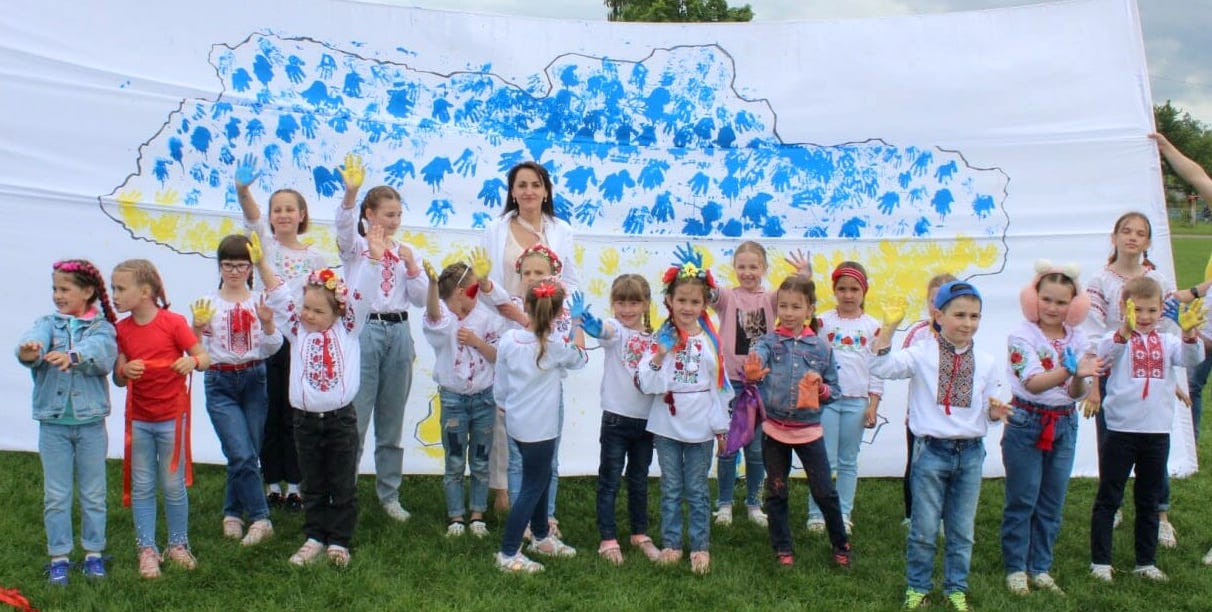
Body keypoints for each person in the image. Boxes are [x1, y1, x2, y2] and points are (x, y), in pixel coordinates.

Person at [870, 281, 1010, 611]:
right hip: (931, 452)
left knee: (962, 530)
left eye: (975, 316)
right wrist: (888, 330)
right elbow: (881, 367)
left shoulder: (987, 361)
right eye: (959, 314)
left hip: (971, 453)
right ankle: (918, 587)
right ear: (938, 315)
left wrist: (995, 411)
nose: (968, 323)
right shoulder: (921, 354)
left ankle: (956, 589)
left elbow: (988, 410)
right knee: (924, 528)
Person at [254, 227, 387, 567]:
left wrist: (373, 257)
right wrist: (262, 266)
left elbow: (364, 293)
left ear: (338, 313)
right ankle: (314, 536)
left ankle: (339, 541)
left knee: (342, 483)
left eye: (317, 311)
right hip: (305, 422)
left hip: (341, 420)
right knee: (312, 482)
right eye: (307, 308)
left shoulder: (349, 328)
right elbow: (280, 294)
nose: (309, 315)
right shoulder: (296, 330)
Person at [1081, 211, 1210, 547]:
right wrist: (1095, 382)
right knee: (1111, 443)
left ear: (1148, 242)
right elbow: (1093, 335)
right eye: (1126, 231)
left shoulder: (1159, 281)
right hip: (1114, 370)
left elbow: (1168, 332)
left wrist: (1173, 377)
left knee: (1155, 446)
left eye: (1140, 233)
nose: (1132, 238)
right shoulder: (1100, 282)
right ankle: (1115, 505)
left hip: (1153, 374)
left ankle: (1160, 514)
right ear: (1114, 237)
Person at [1089, 277, 1205, 583]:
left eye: (1151, 310)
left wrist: (1190, 333)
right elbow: (1105, 357)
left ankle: (1145, 561)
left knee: (1149, 499)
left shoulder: (1168, 342)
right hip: (1120, 430)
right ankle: (1100, 562)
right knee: (1109, 496)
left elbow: (1191, 360)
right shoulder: (1114, 339)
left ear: (1160, 311)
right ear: (1123, 307)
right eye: (1137, 309)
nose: (1144, 316)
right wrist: (1124, 332)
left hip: (1156, 432)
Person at [480, 161, 580, 514]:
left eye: (535, 184)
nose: (528, 191)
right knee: (506, 410)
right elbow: (485, 282)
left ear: (546, 190)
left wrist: (554, 318)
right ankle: (504, 489)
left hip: (544, 331)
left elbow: (571, 282)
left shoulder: (561, 229)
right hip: (505, 326)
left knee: (542, 412)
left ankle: (542, 512)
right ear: (511, 191)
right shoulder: (496, 228)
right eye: (520, 185)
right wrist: (507, 307)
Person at [336, 154, 427, 523]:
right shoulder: (357, 247)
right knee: (356, 417)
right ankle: (345, 492)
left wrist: (413, 266)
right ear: (370, 215)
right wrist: (350, 193)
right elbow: (342, 230)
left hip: (399, 330)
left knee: (392, 419)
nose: (395, 222)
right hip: (365, 330)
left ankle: (389, 494)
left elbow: (420, 298)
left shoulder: (407, 252)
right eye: (389, 214)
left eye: (398, 216)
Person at [235, 157, 327, 512]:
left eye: (291, 209)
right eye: (278, 210)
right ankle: (272, 483)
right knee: (267, 410)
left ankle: (297, 485)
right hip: (264, 338)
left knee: (295, 413)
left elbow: (322, 300)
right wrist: (244, 190)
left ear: (302, 215)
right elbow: (251, 215)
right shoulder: (264, 246)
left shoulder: (316, 257)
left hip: (299, 342)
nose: (284, 215)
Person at [1000, 262, 1098, 595]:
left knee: (1052, 501)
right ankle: (1015, 567)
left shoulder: (1080, 338)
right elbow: (1034, 383)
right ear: (1034, 298)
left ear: (1074, 304)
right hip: (1027, 421)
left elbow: (1076, 392)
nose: (1053, 308)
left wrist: (1077, 378)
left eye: (1061, 302)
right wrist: (1068, 370)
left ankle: (1039, 566)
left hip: (1064, 423)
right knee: (1023, 498)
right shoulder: (1021, 336)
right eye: (1047, 299)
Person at [18, 259, 117, 585]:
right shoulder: (47, 323)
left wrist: (72, 356)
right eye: (54, 289)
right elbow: (33, 341)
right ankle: (59, 557)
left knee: (93, 493)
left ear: (87, 292)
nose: (58, 295)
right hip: (53, 426)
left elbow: (101, 353)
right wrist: (30, 351)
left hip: (90, 425)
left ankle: (93, 554)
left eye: (65, 289)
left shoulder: (102, 327)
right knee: (57, 495)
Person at [111, 259, 211, 579]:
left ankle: (178, 545)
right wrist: (125, 371)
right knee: (142, 486)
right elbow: (117, 376)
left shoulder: (173, 323)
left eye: (120, 288)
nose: (114, 294)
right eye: (114, 288)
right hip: (140, 419)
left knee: (172, 484)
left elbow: (205, 357)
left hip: (171, 418)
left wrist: (191, 361)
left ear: (144, 293)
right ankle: (147, 549)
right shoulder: (121, 330)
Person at [743, 275, 852, 568]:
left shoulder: (821, 348)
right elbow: (759, 357)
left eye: (796, 307)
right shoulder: (768, 341)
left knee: (824, 492)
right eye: (784, 306)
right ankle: (782, 547)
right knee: (776, 490)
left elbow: (835, 390)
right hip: (774, 431)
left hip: (809, 432)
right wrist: (753, 367)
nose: (789, 313)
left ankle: (841, 544)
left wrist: (821, 390)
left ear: (810, 309)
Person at [637, 251, 732, 575]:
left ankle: (700, 546)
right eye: (682, 300)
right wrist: (661, 353)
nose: (687, 307)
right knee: (671, 487)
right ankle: (673, 543)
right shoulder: (660, 336)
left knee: (696, 488)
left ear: (704, 304)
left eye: (694, 302)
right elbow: (647, 383)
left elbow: (719, 386)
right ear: (670, 300)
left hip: (701, 425)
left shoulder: (709, 341)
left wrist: (721, 429)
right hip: (667, 425)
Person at [707, 241, 810, 527]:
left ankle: (754, 503)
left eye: (754, 266)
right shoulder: (729, 297)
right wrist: (704, 279)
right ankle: (724, 503)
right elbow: (711, 294)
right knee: (727, 447)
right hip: (732, 385)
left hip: (761, 384)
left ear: (764, 268)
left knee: (754, 450)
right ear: (734, 268)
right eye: (742, 266)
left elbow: (797, 290)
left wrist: (805, 273)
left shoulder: (771, 298)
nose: (748, 272)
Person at [191, 235, 283, 546]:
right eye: (228, 265)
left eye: (241, 265)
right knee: (241, 452)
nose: (234, 271)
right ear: (219, 267)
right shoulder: (208, 303)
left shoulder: (259, 301)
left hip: (254, 378)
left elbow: (272, 347)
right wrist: (194, 327)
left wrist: (268, 324)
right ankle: (261, 517)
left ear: (249, 268)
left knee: (246, 453)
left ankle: (232, 512)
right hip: (220, 381)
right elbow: (194, 349)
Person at [493, 277, 587, 573]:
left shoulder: (509, 340)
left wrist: (505, 407)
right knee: (534, 485)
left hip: (517, 424)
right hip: (541, 429)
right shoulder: (554, 346)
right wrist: (578, 323)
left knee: (541, 476)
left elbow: (500, 384)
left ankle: (542, 536)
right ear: (558, 313)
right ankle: (508, 552)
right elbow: (581, 357)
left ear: (526, 306)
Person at [569, 276, 662, 565]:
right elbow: (604, 331)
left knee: (639, 479)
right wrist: (591, 324)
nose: (627, 308)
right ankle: (608, 538)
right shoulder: (617, 330)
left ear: (646, 303)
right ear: (613, 303)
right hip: (615, 421)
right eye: (621, 302)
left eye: (634, 302)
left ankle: (639, 533)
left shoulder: (655, 337)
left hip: (646, 422)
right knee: (609, 480)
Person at [420, 251, 508, 538]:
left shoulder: (487, 318)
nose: (477, 292)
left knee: (481, 460)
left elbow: (498, 356)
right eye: (473, 287)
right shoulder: (444, 318)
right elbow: (434, 316)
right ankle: (456, 517)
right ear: (460, 291)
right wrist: (433, 285)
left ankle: (478, 515)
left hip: (484, 398)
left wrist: (476, 342)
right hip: (453, 399)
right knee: (455, 460)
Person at [808, 261, 882, 535]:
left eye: (854, 289)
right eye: (842, 289)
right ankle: (816, 513)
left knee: (849, 461)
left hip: (857, 402)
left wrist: (873, 404)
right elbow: (812, 357)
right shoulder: (823, 322)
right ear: (834, 290)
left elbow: (877, 370)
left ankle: (843, 513)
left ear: (864, 291)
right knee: (823, 459)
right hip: (827, 400)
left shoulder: (874, 327)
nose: (848, 295)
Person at [1154, 132, 1212, 444]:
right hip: (1206, 319)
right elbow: (1198, 177)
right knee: (1192, 381)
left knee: (1193, 379)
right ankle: (1188, 448)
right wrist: (1166, 148)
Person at [899, 272, 956, 526]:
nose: (939, 306)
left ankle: (943, 517)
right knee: (916, 466)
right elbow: (902, 364)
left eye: (946, 299)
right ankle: (912, 515)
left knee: (946, 469)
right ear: (928, 303)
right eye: (934, 300)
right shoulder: (919, 333)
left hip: (949, 420)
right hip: (919, 418)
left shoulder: (962, 335)